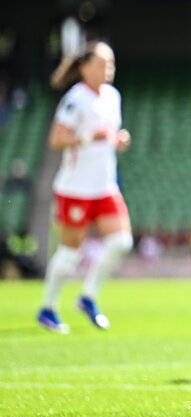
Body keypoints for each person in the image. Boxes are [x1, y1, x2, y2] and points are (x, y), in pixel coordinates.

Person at [37, 42, 133, 333]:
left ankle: (87, 296)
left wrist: (118, 140)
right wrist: (89, 137)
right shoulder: (75, 99)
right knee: (70, 253)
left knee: (121, 242)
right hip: (75, 189)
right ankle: (48, 308)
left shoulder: (112, 96)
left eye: (112, 63)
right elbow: (56, 139)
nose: (109, 69)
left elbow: (108, 137)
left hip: (104, 186)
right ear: (85, 67)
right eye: (104, 63)